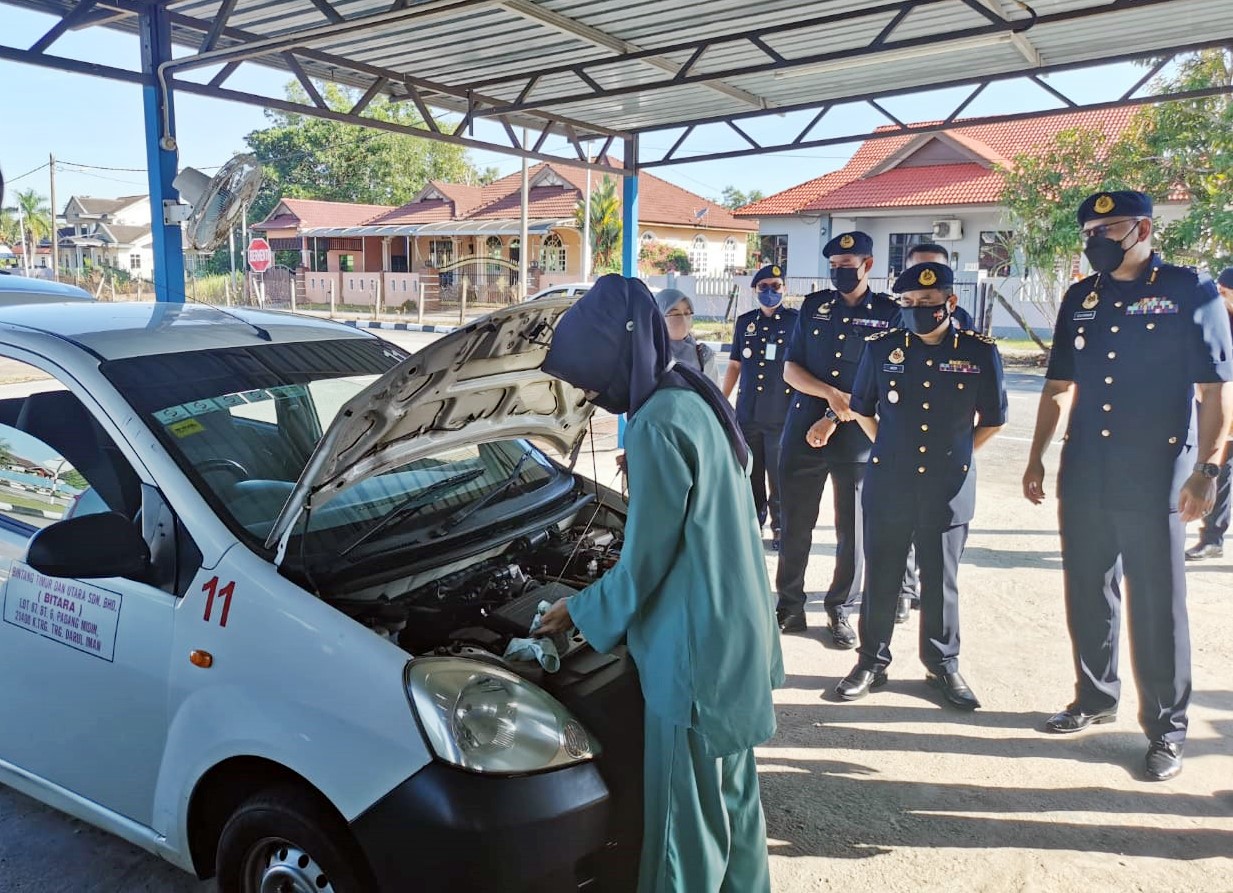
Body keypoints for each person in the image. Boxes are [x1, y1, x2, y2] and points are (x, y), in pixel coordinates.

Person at [535, 274, 783, 892]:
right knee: (735, 805)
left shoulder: (653, 424)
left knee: (684, 830)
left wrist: (577, 610)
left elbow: (644, 563)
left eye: (590, 377)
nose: (591, 393)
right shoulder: (692, 394)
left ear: (616, 355)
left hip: (693, 655)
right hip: (740, 633)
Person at [1022, 191, 1233, 781]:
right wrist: (1036, 457)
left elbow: (1217, 389)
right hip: (1087, 464)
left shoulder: (1189, 290)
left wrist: (1207, 469)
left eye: (1110, 228)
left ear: (1142, 228)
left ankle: (1167, 728)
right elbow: (1058, 385)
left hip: (1158, 469)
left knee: (1157, 602)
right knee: (1088, 588)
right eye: (1090, 230)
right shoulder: (1080, 297)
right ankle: (1095, 696)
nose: (1098, 239)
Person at [835, 262, 1006, 709]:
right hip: (890, 480)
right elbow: (862, 409)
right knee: (882, 576)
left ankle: (943, 665)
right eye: (908, 302)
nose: (916, 310)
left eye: (927, 303)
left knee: (940, 580)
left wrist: (958, 453)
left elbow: (993, 419)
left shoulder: (978, 351)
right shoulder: (882, 348)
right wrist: (890, 447)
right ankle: (871, 662)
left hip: (948, 486)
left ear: (950, 302)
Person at [776, 231, 901, 643]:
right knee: (795, 523)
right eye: (834, 266)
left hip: (856, 436)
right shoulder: (815, 307)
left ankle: (840, 608)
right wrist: (830, 395)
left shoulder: (889, 314)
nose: (839, 272)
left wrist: (832, 415)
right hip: (802, 429)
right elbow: (790, 369)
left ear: (868, 265)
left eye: (847, 266)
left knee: (853, 530)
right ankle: (789, 605)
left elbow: (883, 379)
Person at [893, 244, 978, 623]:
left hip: (947, 452)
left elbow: (983, 396)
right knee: (902, 525)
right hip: (903, 445)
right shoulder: (897, 319)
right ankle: (903, 590)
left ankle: (932, 594)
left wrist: (960, 449)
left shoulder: (967, 325)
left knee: (943, 531)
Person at [723, 263, 799, 550]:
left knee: (779, 475)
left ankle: (780, 527)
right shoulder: (745, 322)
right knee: (751, 471)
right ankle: (754, 522)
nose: (769, 292)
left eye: (775, 287)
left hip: (781, 412)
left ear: (784, 289)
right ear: (755, 290)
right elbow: (734, 365)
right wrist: (720, 400)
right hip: (748, 413)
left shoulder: (796, 322)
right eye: (763, 287)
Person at [1184, 265, 1233, 561]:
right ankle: (1212, 538)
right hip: (1222, 407)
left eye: (1225, 291)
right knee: (1220, 468)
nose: (1222, 295)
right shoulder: (1218, 317)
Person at [655, 287, 718, 382]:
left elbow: (713, 390)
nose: (683, 319)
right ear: (658, 318)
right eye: (676, 314)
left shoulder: (702, 355)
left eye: (687, 313)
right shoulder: (647, 353)